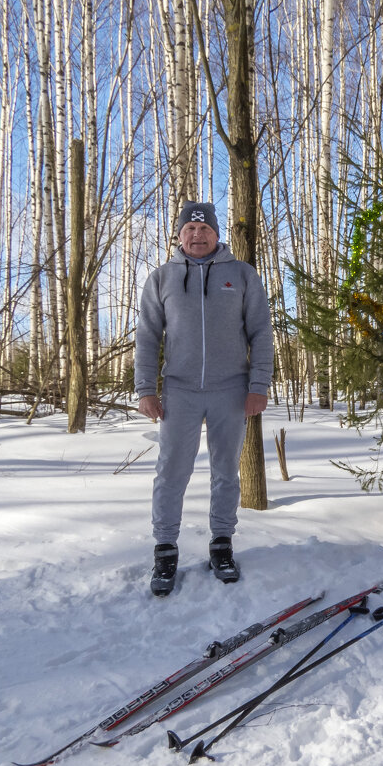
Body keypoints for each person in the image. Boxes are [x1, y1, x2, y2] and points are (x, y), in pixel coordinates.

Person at [134, 201, 272, 595]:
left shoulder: (242, 275)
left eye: (204, 229)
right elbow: (147, 337)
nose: (197, 236)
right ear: (179, 235)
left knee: (226, 470)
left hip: (231, 388)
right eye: (189, 230)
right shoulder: (161, 278)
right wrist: (146, 389)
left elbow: (261, 333)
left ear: (216, 233)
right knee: (172, 471)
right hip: (179, 389)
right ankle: (164, 551)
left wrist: (258, 385)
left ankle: (222, 544)